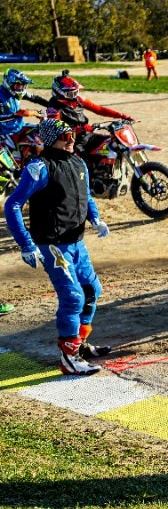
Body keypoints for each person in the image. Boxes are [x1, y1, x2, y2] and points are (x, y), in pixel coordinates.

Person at [4, 120, 111, 375]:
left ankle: (81, 344)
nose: (71, 139)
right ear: (52, 139)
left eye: (72, 134)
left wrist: (95, 218)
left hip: (77, 242)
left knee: (91, 290)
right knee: (73, 298)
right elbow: (13, 205)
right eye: (65, 135)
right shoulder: (39, 167)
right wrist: (26, 243)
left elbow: (86, 196)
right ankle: (69, 357)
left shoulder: (78, 162)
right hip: (53, 245)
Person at [43, 71, 133, 141]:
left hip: (85, 134)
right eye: (71, 94)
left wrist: (122, 116)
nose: (74, 96)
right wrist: (79, 129)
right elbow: (57, 129)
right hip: (70, 141)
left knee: (111, 143)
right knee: (82, 156)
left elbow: (99, 109)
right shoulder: (54, 108)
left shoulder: (79, 99)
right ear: (59, 92)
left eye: (76, 92)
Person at [0, 68, 50, 153]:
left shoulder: (18, 92)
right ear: (8, 83)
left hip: (20, 127)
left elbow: (35, 98)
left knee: (44, 131)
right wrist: (16, 115)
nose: (21, 89)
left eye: (23, 86)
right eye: (19, 85)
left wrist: (52, 105)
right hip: (5, 133)